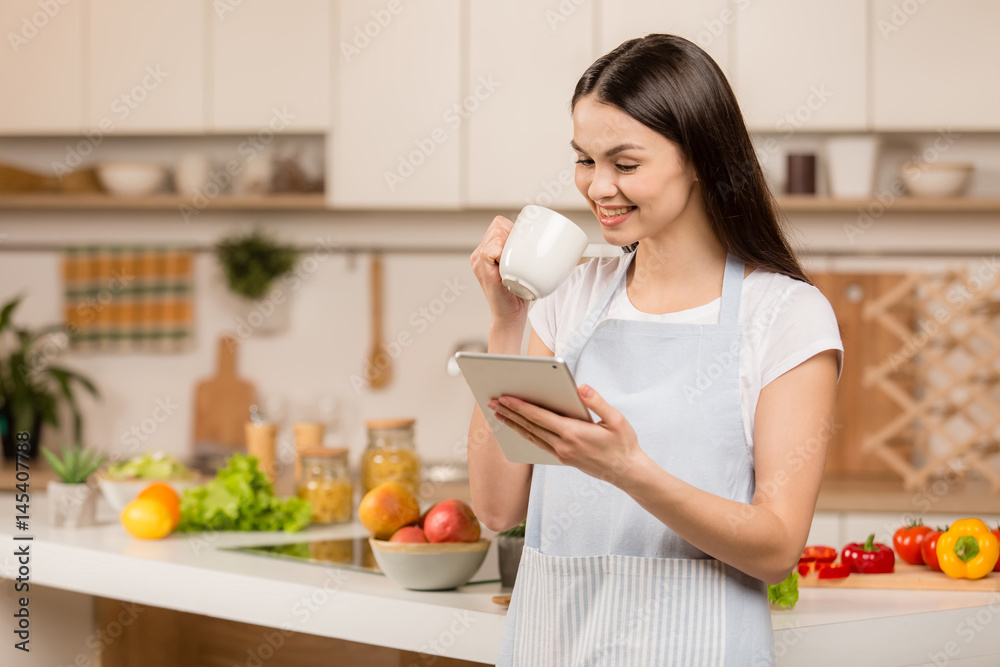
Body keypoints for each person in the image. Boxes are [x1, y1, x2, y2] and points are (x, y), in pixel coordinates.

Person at [468, 34, 843, 666]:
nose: (598, 187)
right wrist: (507, 323)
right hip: (553, 646)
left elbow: (778, 545)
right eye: (585, 159)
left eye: (626, 163)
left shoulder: (784, 316)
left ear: (698, 157)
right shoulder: (569, 298)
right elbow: (497, 508)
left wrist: (629, 471)